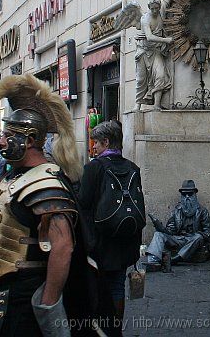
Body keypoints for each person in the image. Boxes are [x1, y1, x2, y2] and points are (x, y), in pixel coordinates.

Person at [0, 73, 116, 336]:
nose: (0, 142)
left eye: (8, 135)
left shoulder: (47, 184)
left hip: (24, 300)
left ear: (29, 139)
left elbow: (63, 246)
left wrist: (48, 303)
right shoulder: (11, 175)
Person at [79, 120, 143, 325]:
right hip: (126, 238)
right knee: (117, 286)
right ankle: (116, 329)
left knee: (97, 287)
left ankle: (100, 328)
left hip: (100, 240)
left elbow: (83, 203)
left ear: (106, 142)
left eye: (96, 142)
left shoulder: (93, 168)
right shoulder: (133, 168)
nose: (94, 147)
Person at [145, 179, 210, 267]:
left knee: (198, 237)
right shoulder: (177, 211)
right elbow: (170, 230)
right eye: (184, 195)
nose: (187, 197)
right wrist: (161, 228)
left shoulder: (202, 211)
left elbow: (208, 233)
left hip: (193, 240)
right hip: (179, 239)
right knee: (158, 234)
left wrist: (199, 235)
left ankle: (177, 258)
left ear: (195, 195)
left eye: (190, 194)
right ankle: (153, 261)